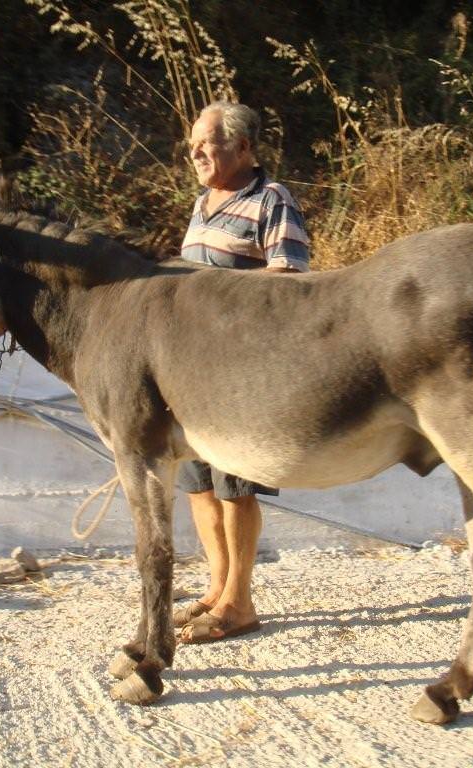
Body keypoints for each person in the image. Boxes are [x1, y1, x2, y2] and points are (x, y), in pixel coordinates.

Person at [175, 101, 311, 644]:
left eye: (207, 143)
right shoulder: (203, 202)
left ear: (243, 148)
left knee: (235, 487)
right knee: (198, 484)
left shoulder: (272, 200)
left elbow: (291, 279)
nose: (196, 153)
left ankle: (240, 601)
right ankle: (215, 588)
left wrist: (218, 301)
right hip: (190, 372)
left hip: (241, 372)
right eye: (192, 145)